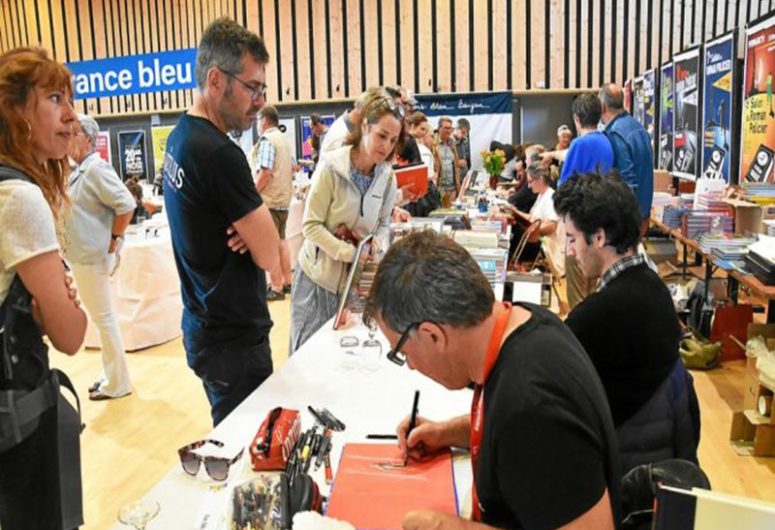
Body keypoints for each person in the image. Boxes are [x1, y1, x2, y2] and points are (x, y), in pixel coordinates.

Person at [364, 231, 620, 530]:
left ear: (433, 335)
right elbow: (505, 428)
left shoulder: (531, 408)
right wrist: (446, 432)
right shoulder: (523, 321)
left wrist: (456, 528)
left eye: (404, 352)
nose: (410, 366)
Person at [163, 18, 280, 426]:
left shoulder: (181, 136)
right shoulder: (218, 153)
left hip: (204, 324)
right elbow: (271, 256)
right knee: (249, 452)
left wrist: (251, 228)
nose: (260, 101)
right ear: (216, 80)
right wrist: (259, 233)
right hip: (233, 339)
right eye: (252, 87)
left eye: (263, 89)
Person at [555, 172, 700, 474]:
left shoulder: (602, 313)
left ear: (598, 237)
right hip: (658, 454)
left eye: (571, 238)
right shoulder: (651, 284)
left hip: (626, 476)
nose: (569, 250)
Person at [0, 46, 88, 530]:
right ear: (15, 109)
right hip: (18, 428)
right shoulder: (20, 197)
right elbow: (72, 335)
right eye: (55, 97)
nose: (71, 115)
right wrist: (58, 304)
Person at [290, 91, 403, 353]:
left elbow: (384, 224)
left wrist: (377, 247)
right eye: (381, 136)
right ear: (365, 126)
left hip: (354, 285)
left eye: (393, 140)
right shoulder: (331, 166)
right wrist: (348, 253)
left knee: (342, 357)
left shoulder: (387, 178)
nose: (386, 146)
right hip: (316, 280)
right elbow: (310, 225)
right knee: (307, 357)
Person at [65, 113, 135, 400]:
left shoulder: (95, 169)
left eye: (74, 132)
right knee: (102, 318)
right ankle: (111, 375)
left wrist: (113, 242)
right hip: (84, 255)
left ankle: (117, 383)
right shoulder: (79, 170)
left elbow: (126, 204)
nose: (68, 136)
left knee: (104, 319)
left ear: (89, 140)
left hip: (93, 256)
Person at [558, 93, 615, 308]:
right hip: (600, 223)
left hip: (579, 223)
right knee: (593, 290)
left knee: (577, 294)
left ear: (576, 118)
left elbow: (563, 189)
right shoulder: (605, 141)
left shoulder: (579, 144)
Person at [250, 104, 294, 301]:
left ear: (264, 121)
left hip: (269, 200)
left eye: (258, 121)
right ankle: (287, 281)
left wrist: (251, 192)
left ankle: (275, 287)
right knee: (282, 241)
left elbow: (265, 172)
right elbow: (292, 167)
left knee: (271, 245)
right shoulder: (284, 140)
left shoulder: (267, 140)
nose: (257, 125)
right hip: (284, 200)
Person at [599, 83, 654, 234]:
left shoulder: (615, 133)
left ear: (603, 107)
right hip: (642, 212)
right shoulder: (638, 127)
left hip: (627, 217)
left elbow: (627, 180)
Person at [507, 163, 564, 274]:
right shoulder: (542, 194)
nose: (528, 186)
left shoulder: (550, 198)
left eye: (530, 181)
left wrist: (531, 231)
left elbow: (552, 226)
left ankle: (510, 273)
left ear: (541, 179)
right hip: (537, 240)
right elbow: (532, 218)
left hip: (544, 246)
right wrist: (514, 212)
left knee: (512, 238)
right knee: (513, 231)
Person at [435, 116, 460, 207]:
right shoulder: (433, 144)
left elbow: (456, 166)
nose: (448, 131)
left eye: (450, 128)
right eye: (446, 128)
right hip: (440, 189)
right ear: (439, 129)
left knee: (451, 216)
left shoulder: (452, 144)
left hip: (452, 188)